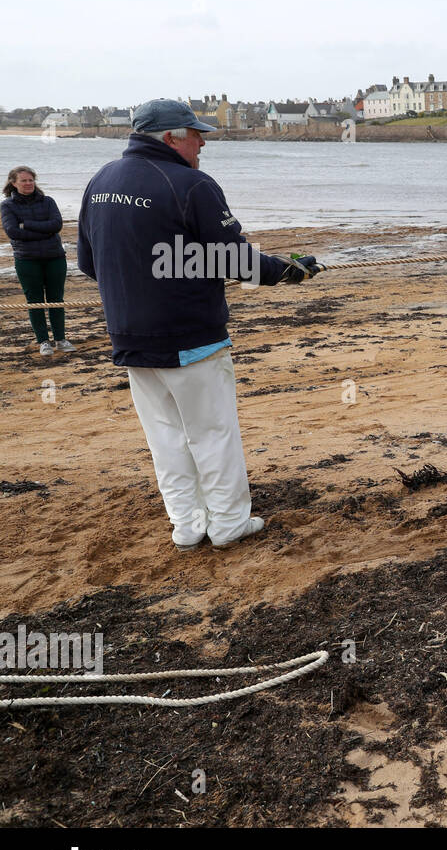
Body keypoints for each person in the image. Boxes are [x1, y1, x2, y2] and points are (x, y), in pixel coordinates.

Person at [77, 98, 321, 552]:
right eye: (195, 134)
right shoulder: (192, 184)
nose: (203, 142)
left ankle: (187, 527)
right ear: (170, 138)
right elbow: (236, 258)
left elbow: (90, 264)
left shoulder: (100, 181)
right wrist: (289, 270)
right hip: (189, 335)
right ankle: (228, 524)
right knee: (212, 432)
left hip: (130, 336)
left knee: (165, 436)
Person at [2, 166, 73, 357]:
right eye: (23, 181)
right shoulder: (7, 206)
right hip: (27, 260)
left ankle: (60, 339)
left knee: (56, 300)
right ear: (13, 183)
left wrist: (28, 225)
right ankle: (43, 341)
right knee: (34, 302)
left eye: (31, 180)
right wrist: (44, 231)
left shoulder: (48, 201)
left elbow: (56, 225)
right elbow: (13, 232)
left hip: (55, 258)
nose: (28, 184)